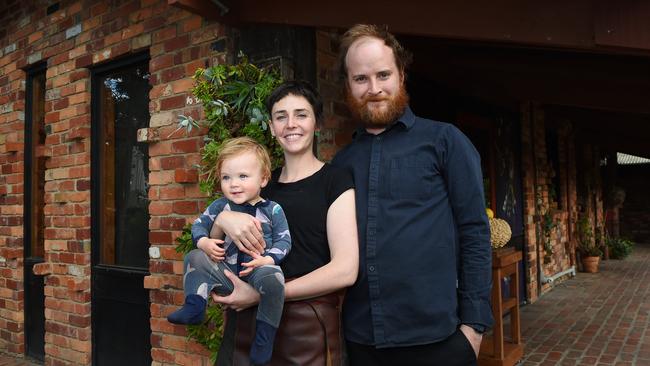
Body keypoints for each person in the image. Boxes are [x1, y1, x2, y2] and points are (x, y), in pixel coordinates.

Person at [331, 24, 494, 366]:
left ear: (401, 74)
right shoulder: (342, 162)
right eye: (361, 79)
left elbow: (476, 233)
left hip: (439, 340)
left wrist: (474, 328)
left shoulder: (445, 141)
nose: (374, 88)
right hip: (363, 342)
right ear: (348, 85)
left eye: (383, 74)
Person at [211, 81, 359, 366]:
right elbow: (217, 246)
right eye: (281, 116)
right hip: (246, 326)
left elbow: (345, 270)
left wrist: (260, 295)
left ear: (316, 123)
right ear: (271, 126)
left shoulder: (336, 181)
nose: (291, 124)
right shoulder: (258, 185)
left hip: (306, 329)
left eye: (301, 114)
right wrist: (222, 217)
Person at [167, 137, 291, 366]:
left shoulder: (273, 209)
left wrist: (268, 259)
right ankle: (195, 307)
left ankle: (264, 340)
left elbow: (285, 241)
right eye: (226, 177)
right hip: (226, 273)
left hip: (258, 271)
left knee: (275, 279)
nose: (233, 184)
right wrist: (203, 242)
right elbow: (199, 225)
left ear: (263, 179)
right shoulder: (219, 206)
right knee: (194, 256)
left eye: (243, 176)